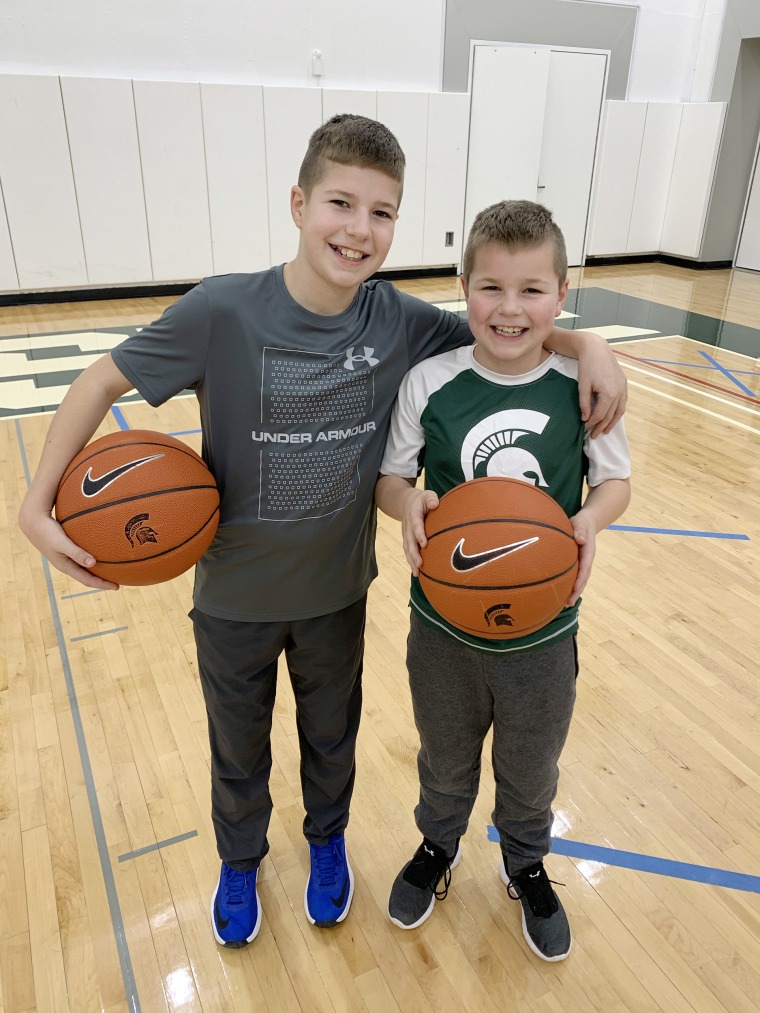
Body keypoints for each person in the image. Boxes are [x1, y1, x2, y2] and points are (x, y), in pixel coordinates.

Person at [18, 118, 627, 950]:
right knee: (236, 746)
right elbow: (102, 376)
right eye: (341, 202)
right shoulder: (222, 308)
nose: (358, 228)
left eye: (382, 212)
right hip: (231, 594)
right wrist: (36, 500)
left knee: (329, 737)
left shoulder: (401, 320)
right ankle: (240, 860)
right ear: (300, 203)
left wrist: (589, 342)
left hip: (336, 592)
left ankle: (326, 842)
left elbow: (509, 329)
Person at [375, 199, 631, 961]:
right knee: (444, 753)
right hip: (443, 624)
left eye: (531, 290)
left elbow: (615, 484)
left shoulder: (583, 386)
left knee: (531, 762)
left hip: (547, 632)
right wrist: (407, 503)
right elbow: (392, 477)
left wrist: (590, 519)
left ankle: (525, 861)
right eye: (490, 287)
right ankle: (438, 846)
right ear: (463, 287)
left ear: (561, 295)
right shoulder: (431, 382)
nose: (510, 308)